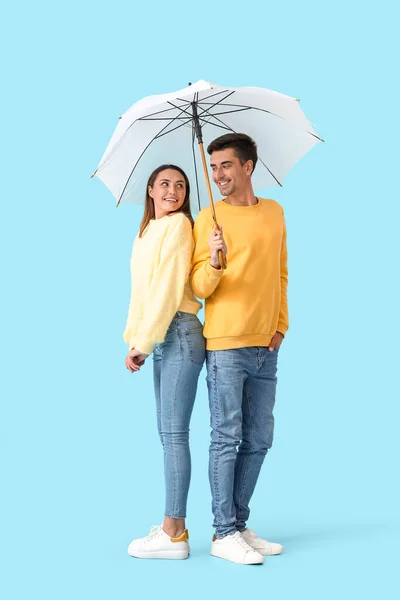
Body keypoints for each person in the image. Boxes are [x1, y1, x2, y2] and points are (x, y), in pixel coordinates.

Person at [190, 133, 288, 565]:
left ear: (248, 167)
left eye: (226, 166)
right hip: (226, 345)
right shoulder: (207, 218)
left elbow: (281, 275)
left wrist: (280, 327)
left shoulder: (275, 213)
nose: (218, 175)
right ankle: (222, 531)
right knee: (226, 437)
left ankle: (239, 524)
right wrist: (213, 260)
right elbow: (196, 288)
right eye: (213, 168)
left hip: (267, 346)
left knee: (260, 439)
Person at [124, 164, 205, 560]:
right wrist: (135, 340)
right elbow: (142, 292)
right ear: (151, 190)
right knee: (167, 435)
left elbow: (170, 289)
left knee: (174, 436)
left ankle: (174, 533)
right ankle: (174, 528)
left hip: (178, 331)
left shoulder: (178, 227)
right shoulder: (146, 233)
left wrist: (146, 339)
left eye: (181, 185)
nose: (173, 190)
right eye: (166, 184)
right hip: (161, 337)